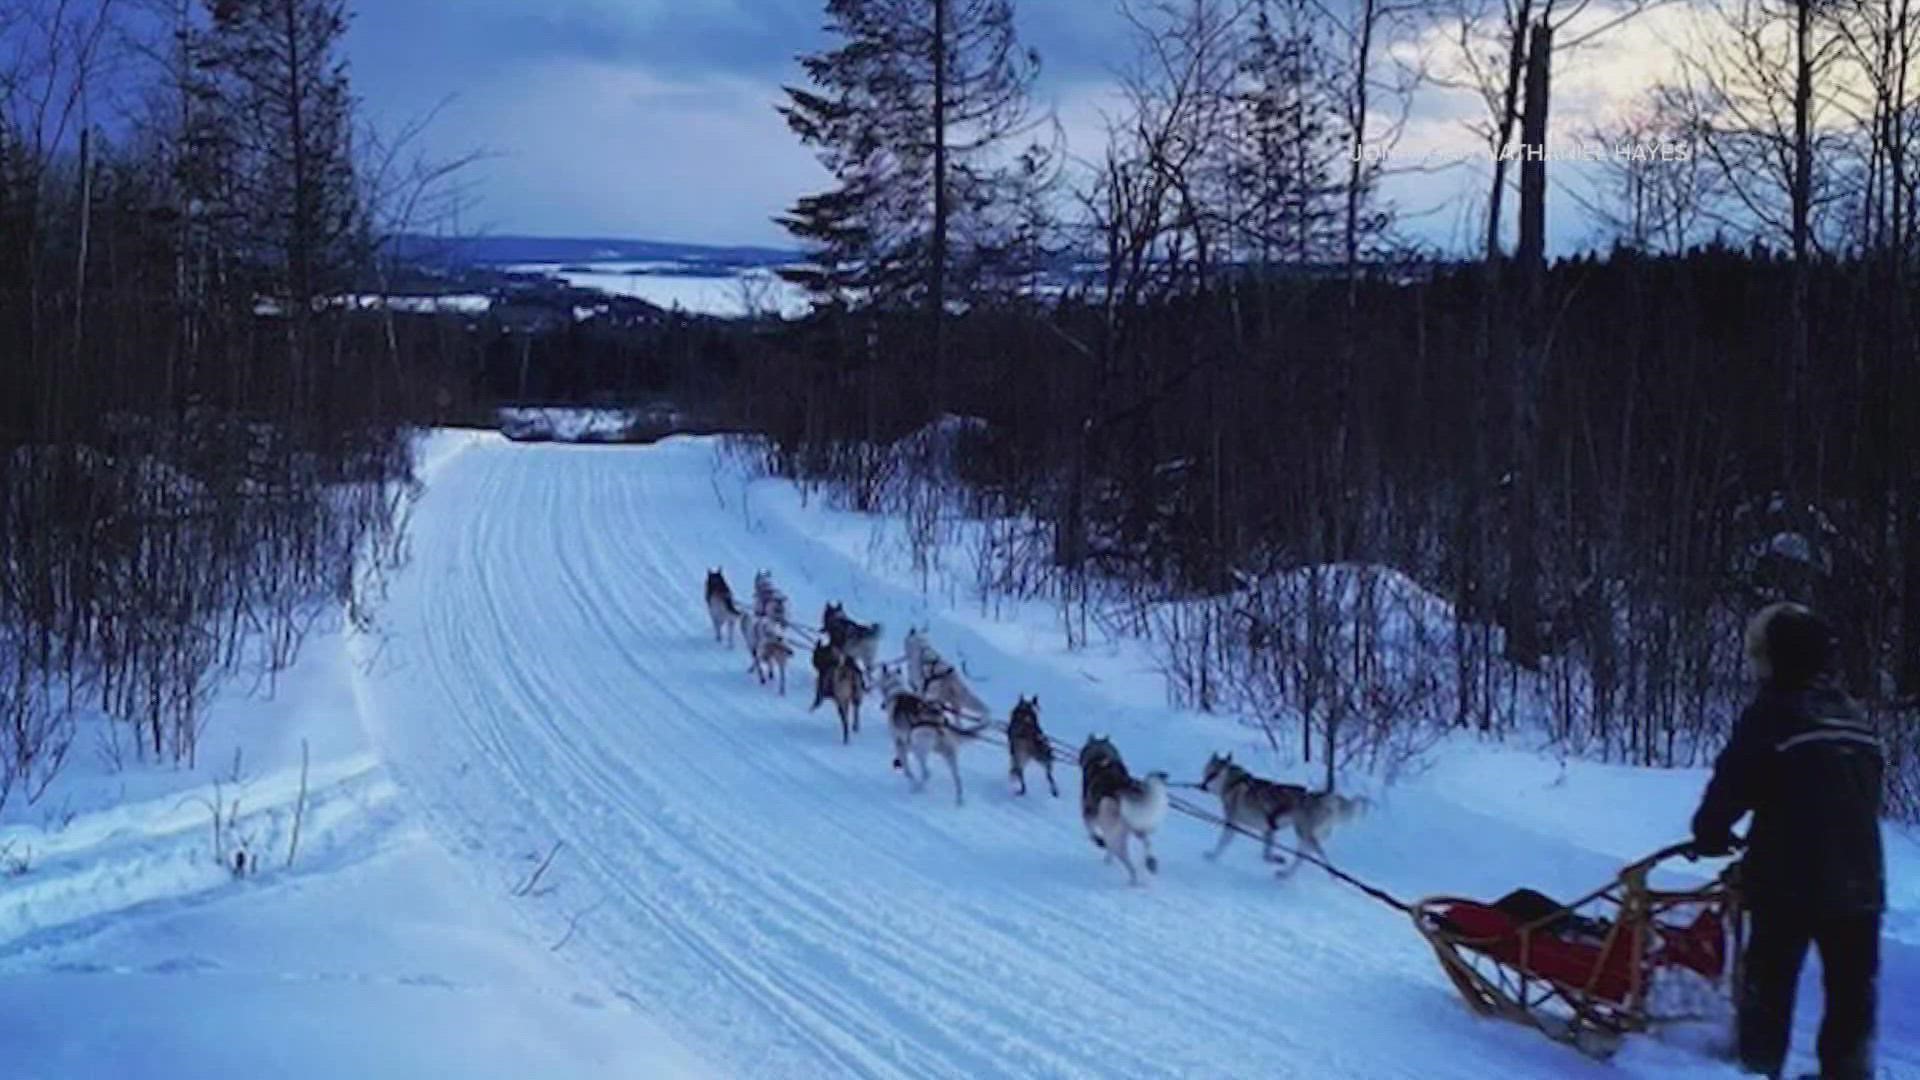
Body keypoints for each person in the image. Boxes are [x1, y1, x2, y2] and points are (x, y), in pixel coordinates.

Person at [1690, 601, 1885, 1080]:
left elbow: (1733, 782)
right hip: (1863, 882)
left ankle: (1757, 1068)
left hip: (1791, 881)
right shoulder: (1853, 716)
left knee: (1769, 985)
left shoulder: (1774, 713)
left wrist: (1710, 832)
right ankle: (1848, 1070)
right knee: (1851, 992)